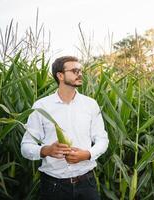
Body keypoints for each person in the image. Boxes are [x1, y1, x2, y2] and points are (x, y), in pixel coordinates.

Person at [21, 56, 109, 200]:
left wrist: (87, 154)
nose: (80, 74)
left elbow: (102, 140)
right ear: (60, 75)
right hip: (53, 186)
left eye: (80, 70)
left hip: (87, 184)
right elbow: (26, 146)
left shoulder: (90, 104)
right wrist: (46, 150)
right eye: (74, 70)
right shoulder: (41, 106)